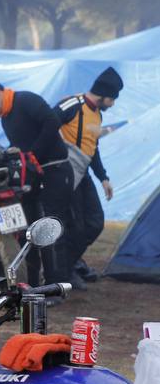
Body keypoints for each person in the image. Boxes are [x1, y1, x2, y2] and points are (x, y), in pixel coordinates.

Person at [0, 76, 73, 286]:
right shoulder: (6, 118)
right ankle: (33, 283)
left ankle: (58, 284)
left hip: (55, 170)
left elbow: (52, 121)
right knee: (31, 230)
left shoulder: (26, 100)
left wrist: (33, 154)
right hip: (32, 179)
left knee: (52, 226)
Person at [56, 67, 121, 287]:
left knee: (95, 222)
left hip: (83, 174)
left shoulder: (97, 115)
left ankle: (70, 263)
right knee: (75, 226)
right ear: (104, 94)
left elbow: (93, 149)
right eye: (112, 99)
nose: (112, 104)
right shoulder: (72, 105)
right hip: (65, 174)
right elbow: (47, 125)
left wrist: (103, 178)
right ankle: (63, 273)